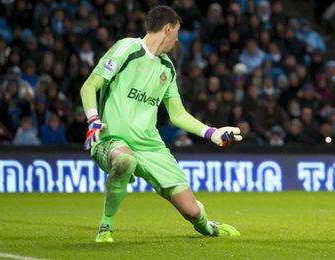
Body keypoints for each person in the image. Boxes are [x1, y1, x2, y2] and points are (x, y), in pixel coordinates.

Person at [80, 5, 242, 243]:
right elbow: (88, 86)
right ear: (168, 29)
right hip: (111, 140)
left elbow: (177, 114)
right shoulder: (127, 49)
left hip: (151, 147)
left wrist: (212, 133)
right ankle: (106, 227)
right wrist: (93, 120)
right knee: (125, 161)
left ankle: (208, 227)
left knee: (192, 211)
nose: (175, 42)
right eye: (176, 35)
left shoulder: (167, 67)